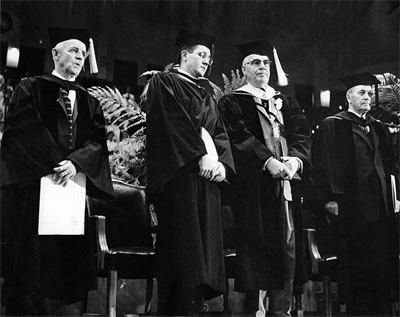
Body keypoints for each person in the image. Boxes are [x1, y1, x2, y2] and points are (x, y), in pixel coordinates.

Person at [0, 27, 114, 315]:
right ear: (55, 53)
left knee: (63, 262)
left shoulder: (91, 101)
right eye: (74, 50)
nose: (80, 56)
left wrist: (75, 163)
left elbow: (97, 142)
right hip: (35, 188)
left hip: (70, 191)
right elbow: (24, 128)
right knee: (32, 262)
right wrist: (56, 162)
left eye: (83, 53)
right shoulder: (31, 87)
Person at [145, 27, 235, 316]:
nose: (207, 60)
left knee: (205, 257)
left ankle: (195, 307)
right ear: (184, 55)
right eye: (201, 54)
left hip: (207, 182)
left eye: (209, 56)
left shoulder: (206, 92)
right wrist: (200, 157)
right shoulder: (165, 82)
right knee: (183, 255)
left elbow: (219, 133)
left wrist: (221, 164)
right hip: (180, 179)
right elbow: (174, 125)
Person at [218, 39, 311, 316]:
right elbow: (237, 137)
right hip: (254, 190)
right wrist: (266, 160)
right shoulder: (233, 102)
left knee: (288, 247)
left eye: (266, 62)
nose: (262, 67)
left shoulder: (286, 102)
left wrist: (295, 160)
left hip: (285, 187)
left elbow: (301, 135)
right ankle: (252, 312)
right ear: (244, 69)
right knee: (257, 250)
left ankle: (280, 312)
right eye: (255, 62)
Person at [309, 72, 399, 316]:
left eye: (370, 93)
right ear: (349, 96)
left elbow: (390, 166)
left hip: (381, 206)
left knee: (381, 264)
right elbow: (323, 165)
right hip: (352, 207)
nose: (367, 97)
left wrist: (395, 196)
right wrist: (329, 199)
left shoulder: (378, 127)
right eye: (362, 92)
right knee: (357, 266)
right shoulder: (333, 124)